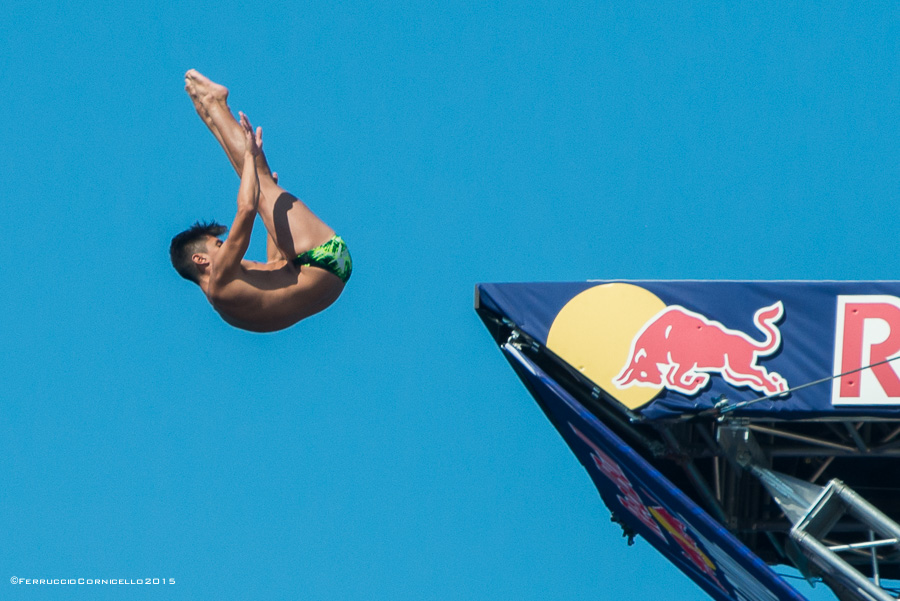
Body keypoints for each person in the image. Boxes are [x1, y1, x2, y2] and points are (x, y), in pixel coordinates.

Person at [170, 70, 351, 332]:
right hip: (322, 257)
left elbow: (275, 267)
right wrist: (250, 158)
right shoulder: (220, 277)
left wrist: (271, 222)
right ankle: (213, 103)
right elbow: (246, 208)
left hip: (332, 275)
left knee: (261, 185)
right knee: (259, 178)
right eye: (217, 243)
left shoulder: (226, 302)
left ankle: (207, 108)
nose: (225, 245)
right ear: (201, 260)